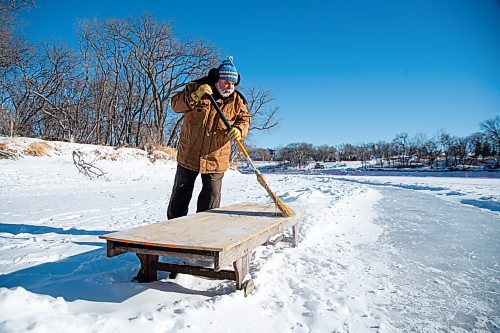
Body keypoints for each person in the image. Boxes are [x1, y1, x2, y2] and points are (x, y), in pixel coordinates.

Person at [167, 56, 251, 219]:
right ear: (216, 78)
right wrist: (195, 96)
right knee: (181, 193)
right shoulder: (196, 88)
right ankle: (173, 228)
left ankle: (205, 230)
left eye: (233, 84)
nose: (230, 87)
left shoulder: (237, 101)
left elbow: (245, 119)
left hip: (216, 156)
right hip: (190, 152)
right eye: (226, 82)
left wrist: (239, 130)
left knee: (211, 196)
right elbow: (175, 105)